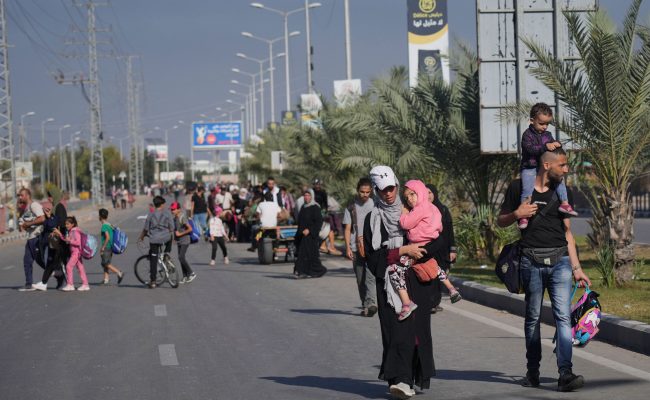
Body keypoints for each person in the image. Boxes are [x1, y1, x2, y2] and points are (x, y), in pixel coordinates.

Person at [497, 148, 591, 392]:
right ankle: (533, 372)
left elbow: (568, 232)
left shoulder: (562, 191)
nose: (567, 169)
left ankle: (565, 373)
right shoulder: (519, 188)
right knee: (533, 319)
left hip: (560, 262)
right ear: (547, 166)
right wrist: (518, 213)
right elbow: (501, 220)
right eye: (563, 165)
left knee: (562, 317)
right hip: (531, 262)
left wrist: (577, 267)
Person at [363, 166, 437, 399]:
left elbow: (432, 242)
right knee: (395, 333)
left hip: (416, 282)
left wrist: (419, 253)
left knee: (415, 335)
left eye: (392, 188)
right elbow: (373, 259)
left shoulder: (413, 212)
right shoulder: (372, 219)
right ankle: (400, 380)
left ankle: (410, 379)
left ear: (397, 184)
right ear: (376, 190)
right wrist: (403, 250)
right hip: (388, 286)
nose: (388, 193)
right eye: (383, 190)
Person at [394, 180, 461, 321]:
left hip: (418, 246)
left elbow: (406, 224)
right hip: (432, 244)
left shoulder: (419, 209)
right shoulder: (434, 208)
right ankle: (451, 289)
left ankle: (406, 303)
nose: (410, 199)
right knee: (434, 266)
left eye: (412, 194)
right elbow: (441, 228)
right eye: (406, 197)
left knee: (395, 270)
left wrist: (404, 213)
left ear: (420, 192)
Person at [518, 103, 577, 229]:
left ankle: (564, 203)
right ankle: (524, 215)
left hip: (544, 167)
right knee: (527, 189)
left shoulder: (548, 135)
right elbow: (530, 150)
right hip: (530, 167)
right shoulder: (527, 135)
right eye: (541, 123)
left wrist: (557, 144)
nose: (545, 127)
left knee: (559, 179)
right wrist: (545, 147)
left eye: (547, 124)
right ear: (532, 120)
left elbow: (553, 150)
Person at [343, 177, 377, 317]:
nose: (365, 195)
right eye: (362, 192)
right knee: (360, 278)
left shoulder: (375, 205)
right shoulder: (351, 207)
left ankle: (371, 303)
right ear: (358, 191)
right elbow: (347, 228)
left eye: (367, 192)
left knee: (370, 277)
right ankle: (365, 305)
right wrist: (347, 248)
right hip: (356, 247)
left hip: (372, 247)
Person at [426, 184, 457, 314]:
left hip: (443, 250)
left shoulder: (443, 210)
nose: (428, 196)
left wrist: (453, 249)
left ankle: (435, 302)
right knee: (430, 275)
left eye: (430, 193)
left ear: (435, 193)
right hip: (428, 249)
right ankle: (430, 302)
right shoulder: (422, 210)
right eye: (425, 193)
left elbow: (450, 231)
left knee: (440, 275)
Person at [138, 195, 174, 289]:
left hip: (154, 240)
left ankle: (153, 281)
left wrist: (141, 237)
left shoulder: (150, 215)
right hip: (166, 238)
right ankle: (166, 254)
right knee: (170, 238)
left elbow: (145, 229)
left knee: (153, 260)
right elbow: (172, 228)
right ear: (162, 205)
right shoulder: (167, 213)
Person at [293, 189, 327, 278]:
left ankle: (302, 272)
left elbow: (318, 222)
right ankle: (305, 271)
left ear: (312, 196)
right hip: (302, 236)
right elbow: (300, 222)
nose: (306, 197)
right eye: (305, 195)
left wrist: (310, 230)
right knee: (304, 254)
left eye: (308, 195)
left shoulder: (315, 207)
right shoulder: (303, 207)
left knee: (306, 254)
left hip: (311, 236)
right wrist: (298, 234)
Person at [17, 188, 46, 291]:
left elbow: (42, 218)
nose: (20, 197)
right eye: (19, 196)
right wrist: (19, 211)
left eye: (22, 195)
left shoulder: (34, 205)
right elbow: (21, 227)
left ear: (28, 195)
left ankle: (58, 273)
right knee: (27, 261)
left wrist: (29, 224)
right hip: (30, 238)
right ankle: (29, 284)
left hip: (37, 237)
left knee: (41, 261)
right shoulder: (25, 208)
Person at [54, 216, 90, 291]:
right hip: (76, 252)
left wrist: (70, 241)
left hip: (76, 253)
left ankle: (70, 284)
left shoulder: (75, 231)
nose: (66, 225)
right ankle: (85, 284)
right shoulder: (71, 231)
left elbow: (78, 242)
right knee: (80, 268)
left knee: (68, 266)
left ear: (72, 224)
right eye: (65, 224)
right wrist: (60, 234)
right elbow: (66, 239)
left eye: (68, 224)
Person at [313, 179, 342, 256]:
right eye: (316, 184)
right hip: (315, 213)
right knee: (327, 230)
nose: (317, 185)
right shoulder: (312, 192)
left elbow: (325, 205)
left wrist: (324, 212)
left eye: (318, 184)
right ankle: (329, 246)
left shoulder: (323, 192)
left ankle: (326, 246)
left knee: (327, 229)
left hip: (322, 213)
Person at [170, 201, 197, 284]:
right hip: (179, 241)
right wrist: (175, 238)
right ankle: (185, 276)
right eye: (171, 209)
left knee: (181, 257)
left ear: (179, 209)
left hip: (185, 240)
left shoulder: (182, 217)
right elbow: (176, 229)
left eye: (174, 209)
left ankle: (191, 273)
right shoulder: (175, 218)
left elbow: (190, 229)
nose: (172, 211)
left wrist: (180, 234)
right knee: (180, 258)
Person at [98, 209, 125, 285]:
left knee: (105, 263)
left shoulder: (104, 226)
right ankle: (106, 279)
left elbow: (107, 237)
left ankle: (119, 272)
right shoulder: (109, 224)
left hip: (107, 246)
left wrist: (103, 247)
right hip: (111, 247)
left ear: (100, 216)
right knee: (106, 262)